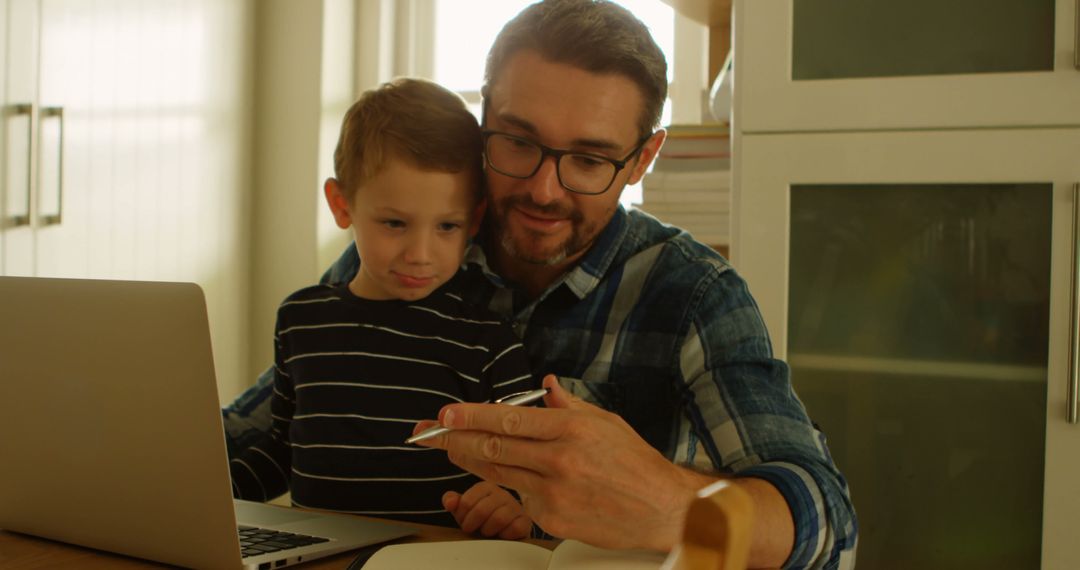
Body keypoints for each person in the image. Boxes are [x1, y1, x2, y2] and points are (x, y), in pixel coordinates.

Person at [224, 1, 858, 567]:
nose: (543, 190)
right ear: (484, 119)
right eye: (519, 142)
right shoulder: (415, 252)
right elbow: (260, 431)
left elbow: (829, 523)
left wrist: (667, 501)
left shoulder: (692, 294)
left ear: (642, 158)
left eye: (588, 158)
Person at [228, 77, 535, 538]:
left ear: (474, 221)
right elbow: (283, 450)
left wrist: (511, 502)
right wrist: (212, 491)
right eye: (395, 223)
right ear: (341, 204)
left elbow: (526, 472)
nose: (420, 253)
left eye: (446, 227)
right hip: (315, 557)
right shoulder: (301, 321)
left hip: (435, 562)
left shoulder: (488, 342)